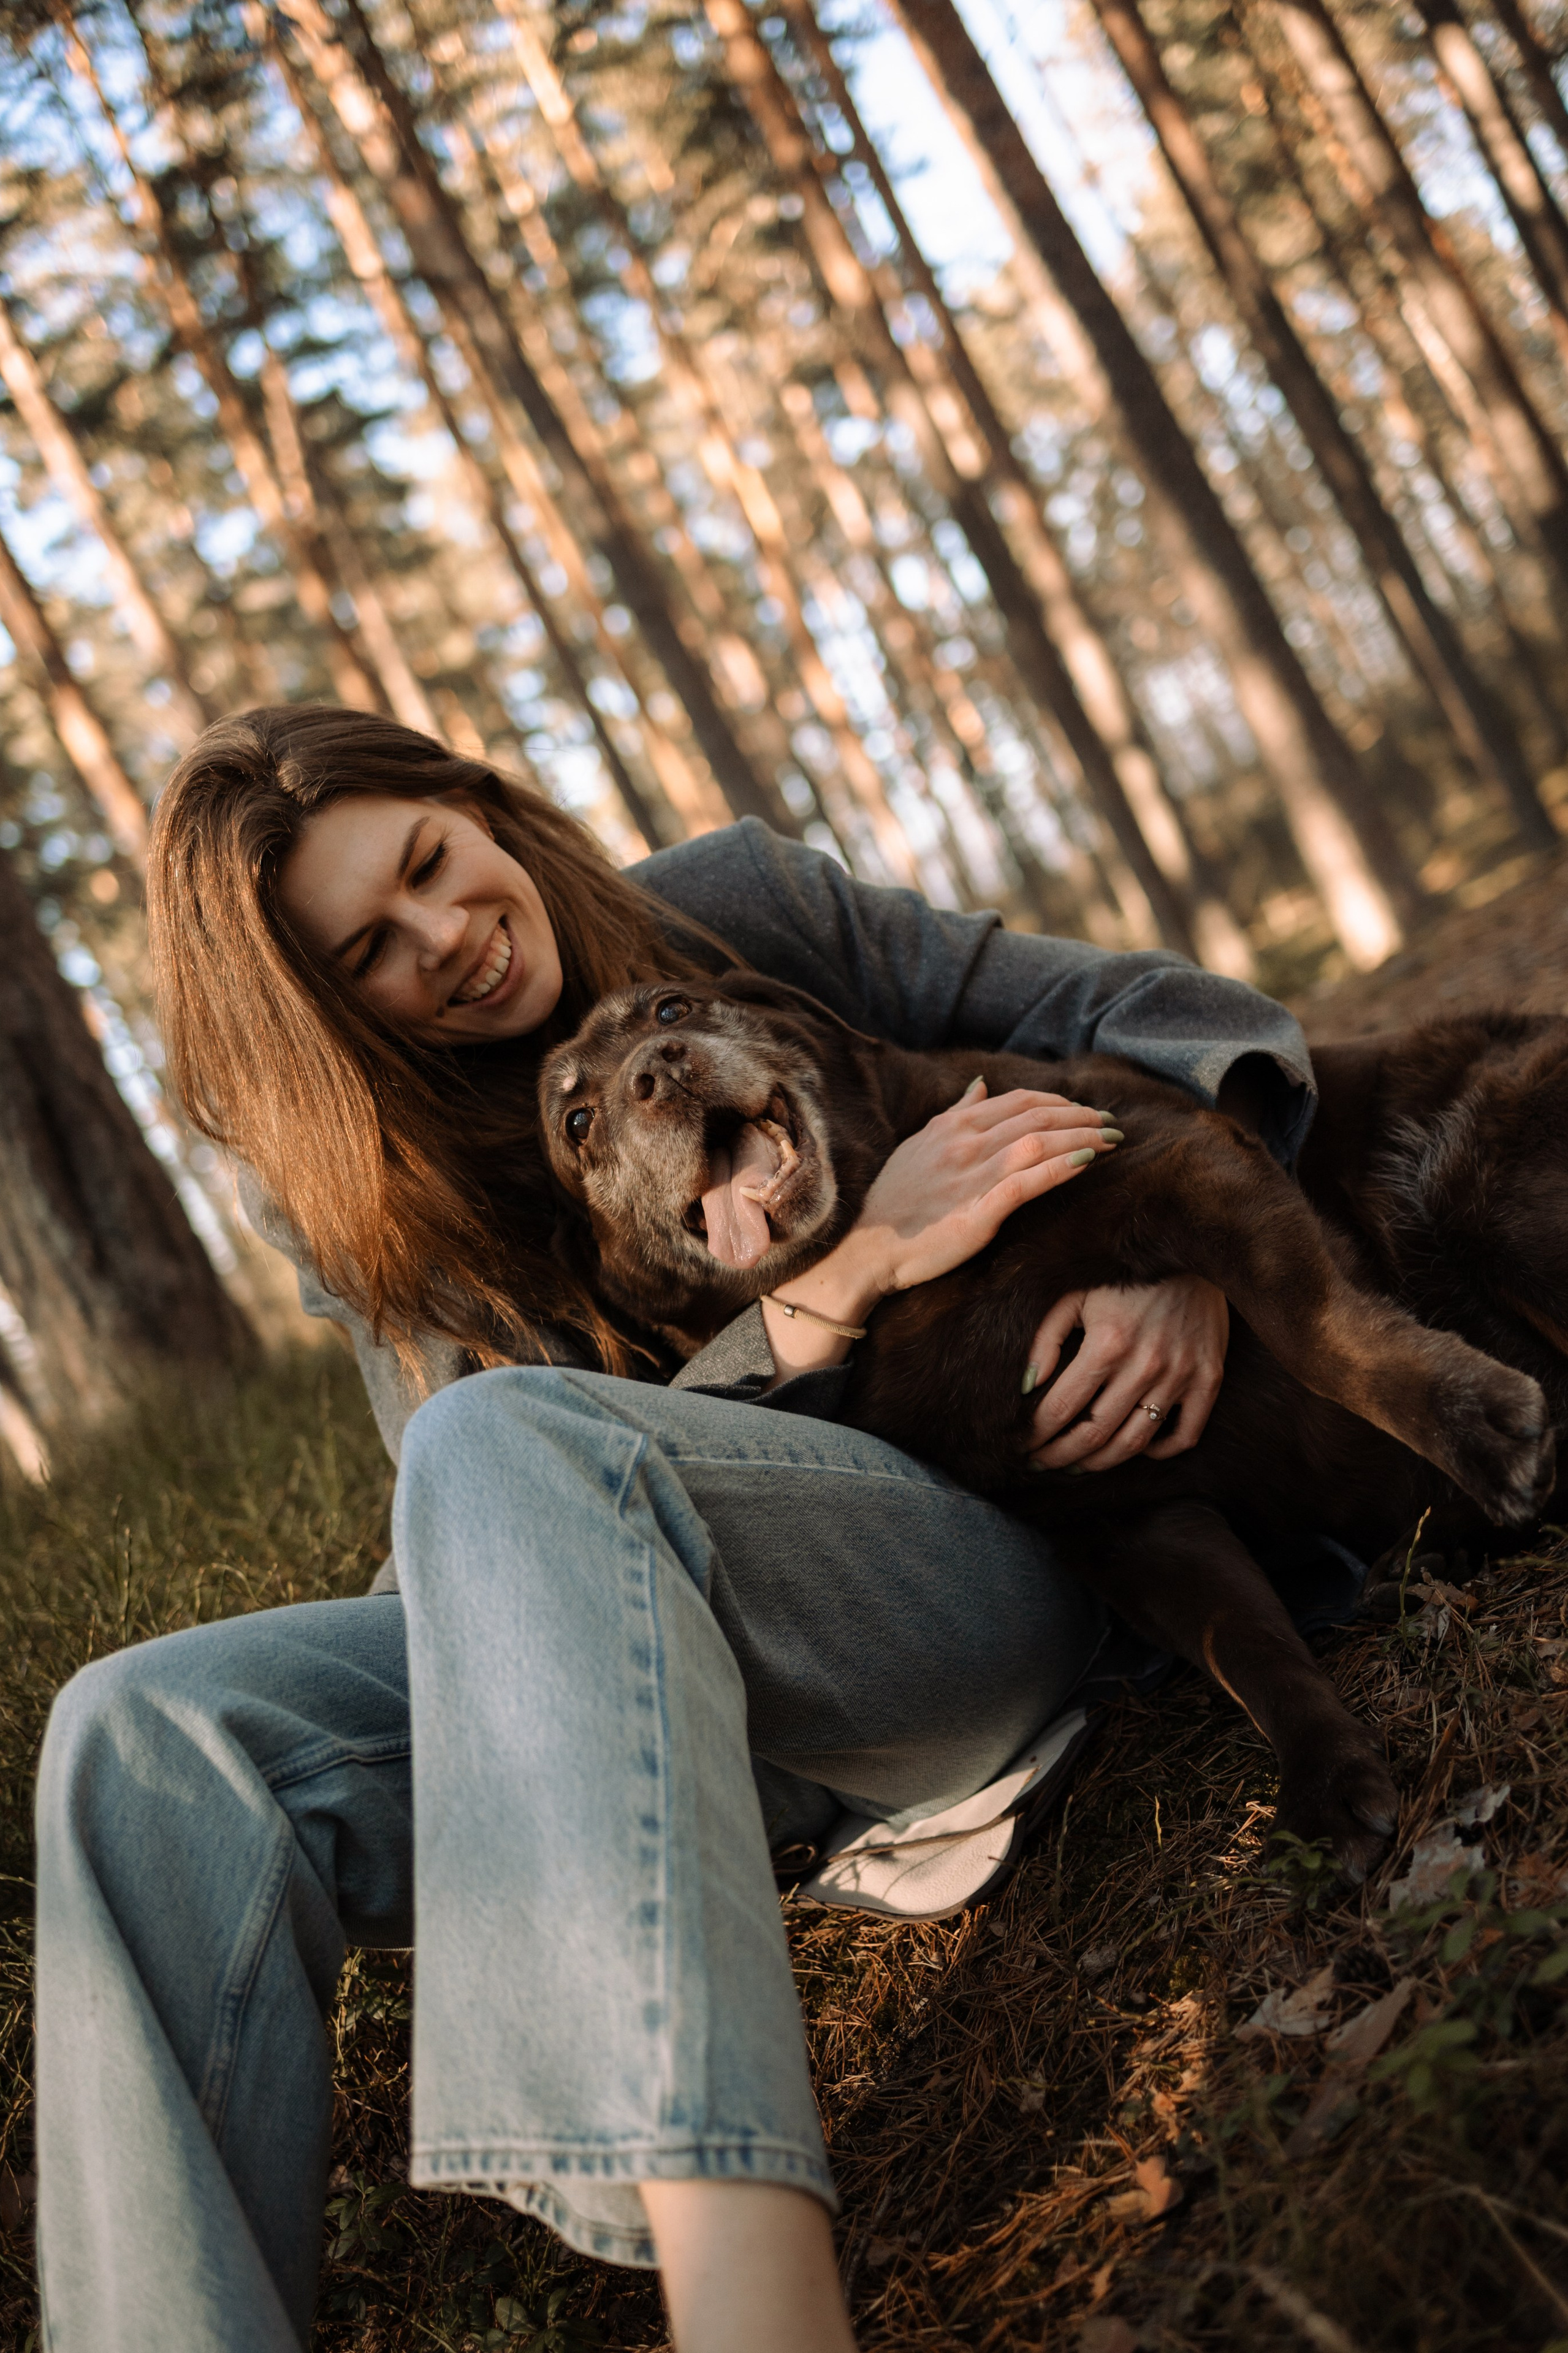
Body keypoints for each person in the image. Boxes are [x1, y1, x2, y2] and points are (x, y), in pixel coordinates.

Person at [33, 707, 1315, 2353]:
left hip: (981, 1567)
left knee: (502, 1437)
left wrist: (1180, 1251)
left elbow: (1164, 1017)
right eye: (374, 950)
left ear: (481, 804)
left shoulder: (747, 910)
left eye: (436, 864)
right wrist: (826, 1301)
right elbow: (467, 1539)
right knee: (131, 1732)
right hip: (671, 1709)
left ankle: (753, 2308)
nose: (451, 938)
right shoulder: (375, 1195)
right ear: (326, 1012)